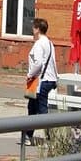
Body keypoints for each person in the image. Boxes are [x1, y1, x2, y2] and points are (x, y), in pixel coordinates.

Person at [24, 17, 57, 146]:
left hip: (40, 81)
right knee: (33, 106)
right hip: (49, 79)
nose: (32, 30)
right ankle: (29, 135)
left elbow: (37, 63)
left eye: (33, 27)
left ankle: (49, 138)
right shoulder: (49, 42)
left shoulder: (39, 44)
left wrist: (29, 75)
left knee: (40, 109)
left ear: (37, 29)